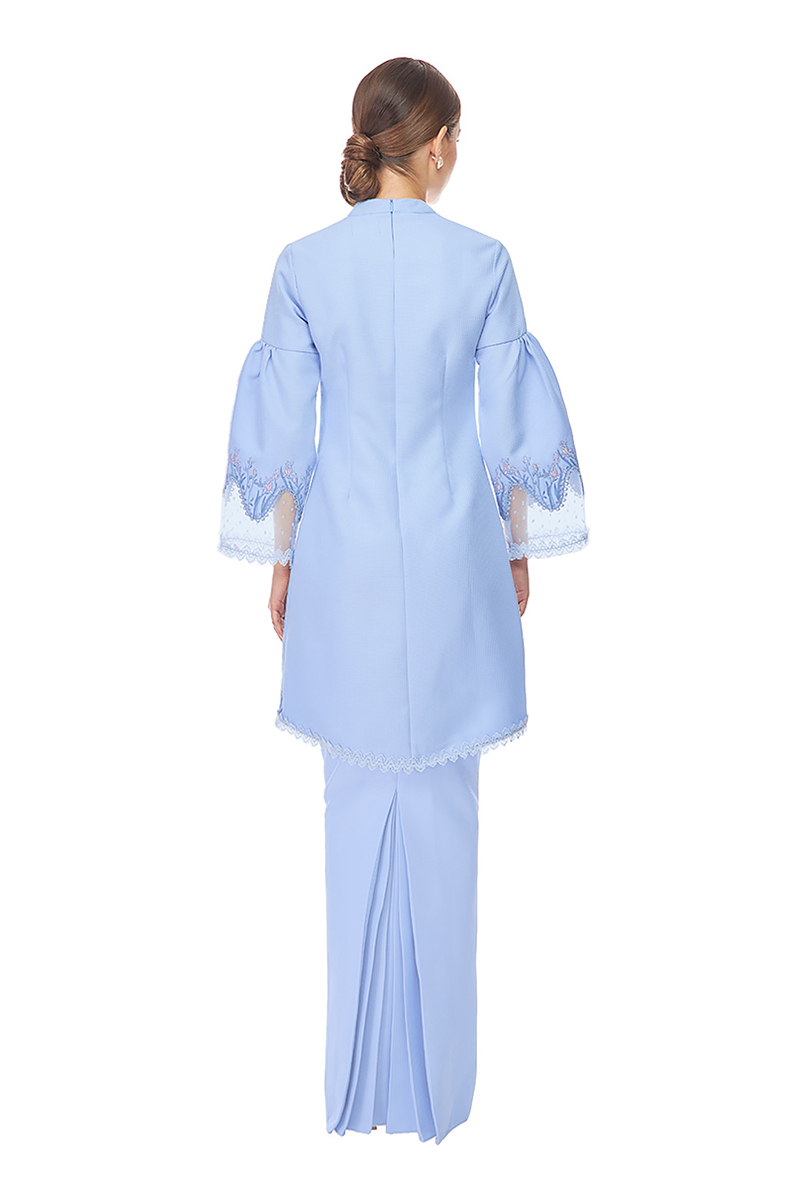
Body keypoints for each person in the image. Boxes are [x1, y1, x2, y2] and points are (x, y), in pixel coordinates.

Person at [218, 57, 589, 1144]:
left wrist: (282, 561)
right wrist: (517, 546)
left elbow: (282, 428)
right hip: (451, 552)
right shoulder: (482, 262)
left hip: (340, 558)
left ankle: (356, 1088)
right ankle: (439, 1095)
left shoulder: (302, 265)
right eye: (454, 138)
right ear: (435, 143)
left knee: (349, 817)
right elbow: (511, 414)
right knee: (447, 818)